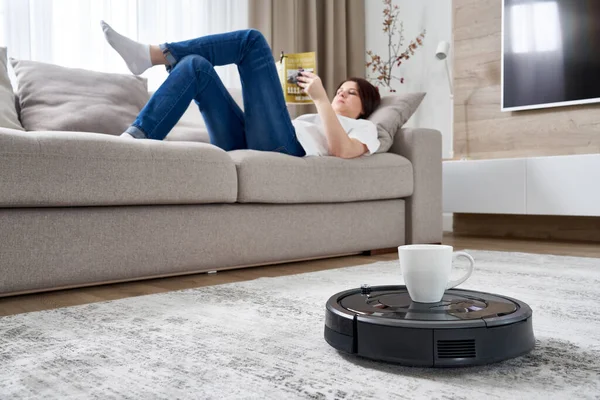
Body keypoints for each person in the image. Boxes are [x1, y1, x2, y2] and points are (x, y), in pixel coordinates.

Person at [101, 23, 381, 158]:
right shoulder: (318, 119)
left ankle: (153, 55)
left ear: (364, 108)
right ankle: (135, 139)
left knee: (252, 41)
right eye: (340, 89)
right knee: (196, 66)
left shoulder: (366, 129)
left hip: (285, 150)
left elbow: (342, 151)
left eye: (351, 93)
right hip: (256, 139)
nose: (342, 93)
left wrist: (320, 99)